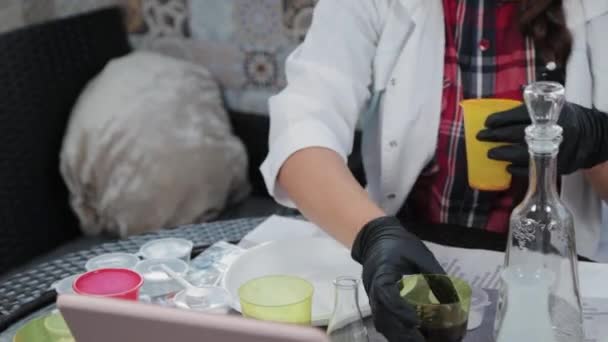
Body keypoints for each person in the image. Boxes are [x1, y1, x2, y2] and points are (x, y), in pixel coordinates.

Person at [261, 1, 608, 341]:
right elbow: (303, 128)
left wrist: (598, 141)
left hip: (550, 277)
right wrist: (373, 235)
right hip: (410, 257)